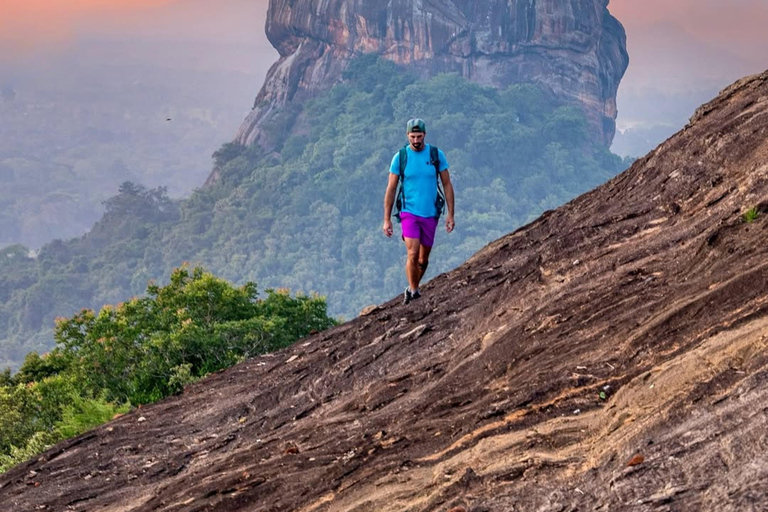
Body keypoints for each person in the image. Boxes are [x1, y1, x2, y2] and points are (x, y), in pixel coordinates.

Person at [382, 118, 455, 304]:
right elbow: (391, 188)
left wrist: (451, 214)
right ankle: (414, 292)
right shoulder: (400, 157)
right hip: (409, 212)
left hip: (430, 213)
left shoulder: (436, 155)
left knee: (423, 259)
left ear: (425, 135)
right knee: (412, 253)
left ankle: (411, 287)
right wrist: (387, 219)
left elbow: (447, 184)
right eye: (412, 137)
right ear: (407, 135)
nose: (416, 140)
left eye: (419, 136)